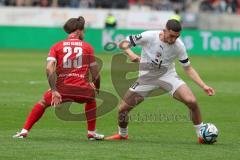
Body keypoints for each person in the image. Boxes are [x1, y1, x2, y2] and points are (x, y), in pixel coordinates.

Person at [106, 19, 215, 144]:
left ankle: (201, 135)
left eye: (177, 37)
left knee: (192, 101)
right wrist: (131, 54)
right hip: (147, 77)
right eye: (171, 36)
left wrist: (203, 86)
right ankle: (122, 134)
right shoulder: (149, 36)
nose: (173, 39)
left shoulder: (179, 46)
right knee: (123, 109)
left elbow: (188, 68)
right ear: (164, 31)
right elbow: (123, 43)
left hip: (168, 75)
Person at [13, 16, 104, 140]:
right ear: (78, 31)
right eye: (83, 31)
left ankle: (24, 131)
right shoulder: (87, 47)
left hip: (62, 90)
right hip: (82, 89)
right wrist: (96, 88)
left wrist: (54, 90)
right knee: (91, 99)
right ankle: (91, 133)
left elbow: (49, 68)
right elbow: (96, 73)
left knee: (43, 102)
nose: (84, 34)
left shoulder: (57, 46)